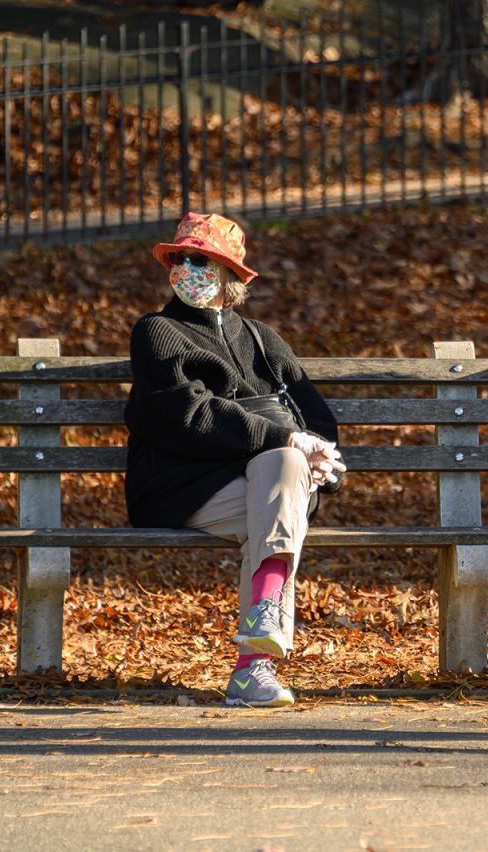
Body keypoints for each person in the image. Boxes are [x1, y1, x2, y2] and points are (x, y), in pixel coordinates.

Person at [124, 212, 346, 707]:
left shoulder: (265, 342)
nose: (185, 267)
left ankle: (257, 647)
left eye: (198, 259)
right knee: (282, 470)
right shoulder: (157, 333)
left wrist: (321, 465)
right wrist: (288, 441)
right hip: (183, 489)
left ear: (228, 273)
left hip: (270, 492)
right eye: (177, 259)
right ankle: (254, 664)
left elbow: (318, 422)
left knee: (283, 472)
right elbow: (189, 415)